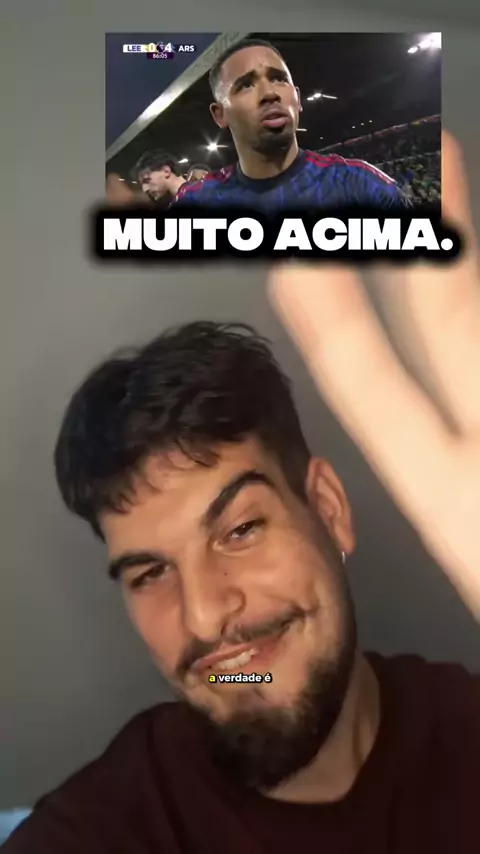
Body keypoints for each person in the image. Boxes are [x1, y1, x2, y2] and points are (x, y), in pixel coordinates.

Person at [4, 132, 479, 853]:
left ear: (328, 509)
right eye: (149, 572)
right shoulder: (99, 831)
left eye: (239, 530)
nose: (203, 617)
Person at [171, 38, 410, 212]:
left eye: (279, 79)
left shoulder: (363, 187)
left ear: (297, 98)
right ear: (220, 114)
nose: (270, 93)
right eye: (246, 85)